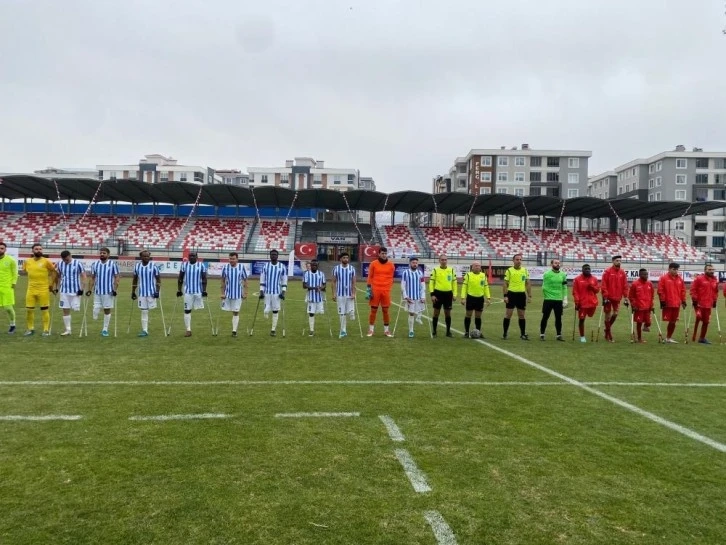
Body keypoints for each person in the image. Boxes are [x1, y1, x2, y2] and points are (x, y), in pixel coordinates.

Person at [22, 243, 57, 336]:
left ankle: (45, 330)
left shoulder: (46, 261)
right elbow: (25, 271)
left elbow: (54, 272)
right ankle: (30, 329)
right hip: (31, 289)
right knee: (29, 310)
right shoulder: (27, 261)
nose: (39, 250)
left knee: (44, 310)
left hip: (43, 289)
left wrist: (51, 284)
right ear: (32, 251)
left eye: (40, 249)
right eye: (36, 249)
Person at [87, 247, 120, 337]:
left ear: (108, 255)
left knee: (107, 309)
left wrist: (115, 289)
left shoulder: (113, 264)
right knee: (96, 308)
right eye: (101, 253)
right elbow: (92, 278)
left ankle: (105, 329)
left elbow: (117, 277)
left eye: (104, 253)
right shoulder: (95, 264)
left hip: (108, 291)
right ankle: (96, 313)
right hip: (97, 290)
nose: (102, 254)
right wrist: (89, 289)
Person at [54, 250, 87, 336]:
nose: (65, 261)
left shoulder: (78, 263)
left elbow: (83, 276)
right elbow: (58, 276)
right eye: (64, 260)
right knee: (65, 309)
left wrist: (82, 289)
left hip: (75, 291)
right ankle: (68, 330)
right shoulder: (60, 264)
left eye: (67, 259)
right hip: (64, 290)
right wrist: (56, 287)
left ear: (70, 256)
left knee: (76, 309)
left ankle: (81, 328)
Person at [366, 246, 395, 337]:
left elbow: (391, 277)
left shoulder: (391, 265)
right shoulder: (373, 264)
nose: (384, 255)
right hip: (375, 290)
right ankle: (371, 330)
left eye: (385, 253)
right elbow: (370, 277)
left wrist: (388, 287)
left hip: (386, 290)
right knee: (373, 310)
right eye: (382, 253)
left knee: (385, 310)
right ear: (379, 254)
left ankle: (386, 331)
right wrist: (368, 289)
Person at [177, 251, 207, 337]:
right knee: (187, 310)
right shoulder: (184, 265)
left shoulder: (201, 265)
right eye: (190, 256)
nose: (192, 257)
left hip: (198, 291)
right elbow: (180, 278)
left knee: (200, 309)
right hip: (188, 292)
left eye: (193, 256)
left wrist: (204, 290)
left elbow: (204, 278)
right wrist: (179, 290)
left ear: (197, 257)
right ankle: (188, 330)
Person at [131, 250, 161, 337]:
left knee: (149, 310)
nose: (146, 258)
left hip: (151, 292)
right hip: (141, 292)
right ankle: (145, 330)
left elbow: (158, 279)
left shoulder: (153, 266)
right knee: (144, 311)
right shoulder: (137, 266)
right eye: (144, 256)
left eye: (147, 256)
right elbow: (135, 279)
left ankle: (146, 325)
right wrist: (133, 292)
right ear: (141, 257)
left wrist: (157, 291)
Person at [502, 254, 532, 340]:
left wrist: (529, 295)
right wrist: (505, 296)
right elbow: (505, 284)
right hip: (511, 294)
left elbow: (528, 283)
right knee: (508, 314)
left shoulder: (525, 270)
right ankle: (505, 333)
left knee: (522, 315)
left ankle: (523, 334)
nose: (519, 261)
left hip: (521, 295)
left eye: (520, 259)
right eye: (517, 259)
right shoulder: (509, 271)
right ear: (513, 261)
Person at [601, 255, 629, 342]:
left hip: (617, 297)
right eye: (617, 260)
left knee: (615, 314)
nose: (619, 262)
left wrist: (626, 297)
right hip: (608, 297)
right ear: (613, 261)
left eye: (620, 261)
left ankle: (606, 330)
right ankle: (609, 335)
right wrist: (605, 296)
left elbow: (625, 286)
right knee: (608, 316)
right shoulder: (607, 271)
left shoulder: (622, 272)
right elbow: (603, 285)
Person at [657, 262, 687, 344]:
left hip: (676, 304)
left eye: (677, 269)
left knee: (673, 321)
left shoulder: (680, 279)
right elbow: (660, 290)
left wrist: (683, 300)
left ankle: (668, 337)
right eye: (674, 269)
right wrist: (662, 300)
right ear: (669, 269)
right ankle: (662, 336)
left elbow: (683, 291)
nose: (675, 271)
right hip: (667, 303)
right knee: (667, 320)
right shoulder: (663, 278)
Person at [260, 249, 287, 336]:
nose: (274, 256)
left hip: (276, 292)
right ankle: (266, 310)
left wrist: (283, 292)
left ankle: (273, 330)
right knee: (266, 309)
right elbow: (262, 279)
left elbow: (284, 280)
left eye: (275, 254)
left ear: (277, 256)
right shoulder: (265, 266)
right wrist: (261, 291)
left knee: (275, 311)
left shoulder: (282, 267)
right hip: (267, 292)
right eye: (272, 254)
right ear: (270, 256)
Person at [690, 263, 719, 344]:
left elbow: (715, 292)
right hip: (699, 303)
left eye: (712, 270)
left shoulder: (715, 280)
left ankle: (702, 338)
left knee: (706, 322)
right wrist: (694, 300)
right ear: (705, 270)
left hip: (708, 304)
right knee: (698, 317)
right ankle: (694, 335)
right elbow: (693, 289)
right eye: (709, 270)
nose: (711, 271)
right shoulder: (699, 279)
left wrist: (715, 300)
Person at [428, 255, 457, 337]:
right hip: (438, 294)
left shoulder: (451, 270)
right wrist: (432, 294)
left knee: (448, 313)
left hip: (448, 294)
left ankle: (448, 332)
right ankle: (434, 331)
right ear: (439, 261)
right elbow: (431, 283)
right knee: (436, 313)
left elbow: (454, 283)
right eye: (442, 260)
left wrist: (454, 294)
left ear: (447, 261)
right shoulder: (435, 270)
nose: (444, 261)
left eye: (445, 260)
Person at [540, 258, 568, 341]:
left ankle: (559, 335)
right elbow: (544, 287)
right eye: (556, 263)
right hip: (548, 299)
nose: (557, 264)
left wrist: (565, 298)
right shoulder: (547, 274)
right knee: (545, 317)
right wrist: (547, 296)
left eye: (559, 263)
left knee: (558, 318)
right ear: (551, 264)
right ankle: (542, 334)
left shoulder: (563, 275)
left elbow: (564, 287)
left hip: (558, 300)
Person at [220, 252, 248, 337]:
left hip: (238, 294)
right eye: (230, 258)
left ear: (237, 259)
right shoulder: (225, 267)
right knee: (224, 310)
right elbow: (222, 281)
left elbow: (245, 280)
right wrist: (222, 293)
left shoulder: (241, 267)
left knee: (236, 312)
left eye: (233, 259)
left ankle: (234, 331)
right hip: (227, 294)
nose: (231, 260)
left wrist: (245, 293)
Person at [331, 252, 356, 338]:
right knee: (342, 313)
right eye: (344, 258)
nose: (346, 259)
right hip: (340, 294)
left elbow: (353, 282)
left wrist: (353, 293)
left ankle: (352, 312)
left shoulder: (352, 268)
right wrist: (334, 293)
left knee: (351, 313)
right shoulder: (336, 269)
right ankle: (343, 331)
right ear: (340, 259)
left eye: (347, 258)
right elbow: (333, 282)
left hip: (349, 294)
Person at [572, 264, 600, 343]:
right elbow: (575, 292)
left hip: (592, 303)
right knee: (581, 319)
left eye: (588, 269)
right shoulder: (577, 279)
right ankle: (582, 336)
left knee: (590, 315)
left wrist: (592, 287)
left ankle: (589, 313)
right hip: (582, 304)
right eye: (586, 269)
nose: (587, 270)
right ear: (582, 270)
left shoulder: (594, 279)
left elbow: (597, 290)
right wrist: (577, 302)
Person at [401, 256, 426, 338]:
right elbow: (403, 285)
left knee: (421, 309)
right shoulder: (405, 273)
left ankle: (418, 318)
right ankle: (411, 330)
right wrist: (405, 296)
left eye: (416, 263)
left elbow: (423, 285)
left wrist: (423, 296)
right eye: (413, 263)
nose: (415, 264)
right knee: (411, 313)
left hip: (418, 296)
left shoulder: (420, 273)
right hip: (410, 297)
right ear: (410, 263)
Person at [628, 268, 654, 343]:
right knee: (639, 323)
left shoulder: (650, 284)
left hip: (647, 307)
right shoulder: (635, 284)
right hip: (639, 307)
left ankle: (646, 326)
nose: (646, 276)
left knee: (648, 322)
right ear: (640, 275)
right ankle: (639, 338)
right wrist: (634, 305)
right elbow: (631, 296)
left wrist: (651, 305)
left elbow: (652, 296)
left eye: (647, 274)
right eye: (644, 274)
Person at [302, 259, 326, 336]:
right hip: (311, 297)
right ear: (311, 265)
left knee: (321, 313)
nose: (314, 266)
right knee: (311, 313)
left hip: (319, 297)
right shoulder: (307, 274)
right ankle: (311, 330)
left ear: (318, 265)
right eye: (313, 265)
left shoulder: (321, 274)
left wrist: (321, 288)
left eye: (316, 265)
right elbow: (304, 285)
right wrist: (313, 288)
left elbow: (324, 285)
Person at [0, 242, 18, 334]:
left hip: (7, 287)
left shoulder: (10, 260)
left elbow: (15, 272)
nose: (0, 250)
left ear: (5, 250)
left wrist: (14, 283)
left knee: (8, 308)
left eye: (2, 248)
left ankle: (12, 325)